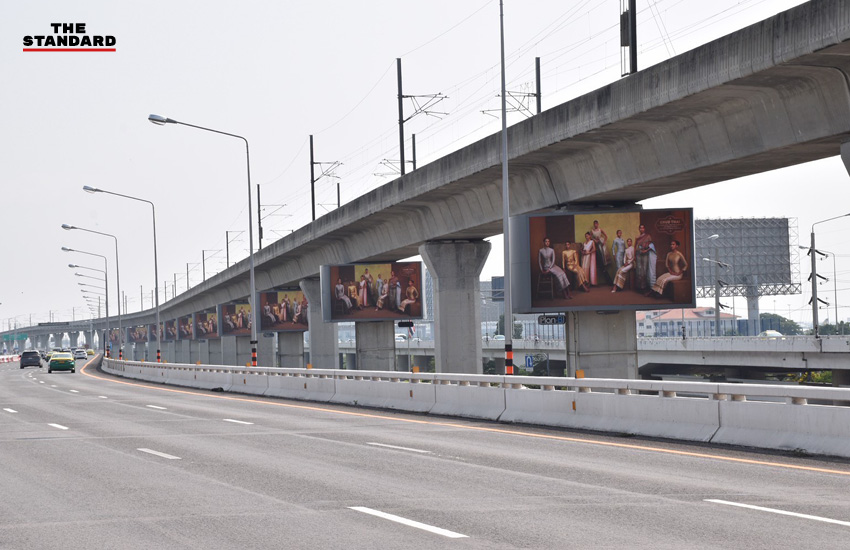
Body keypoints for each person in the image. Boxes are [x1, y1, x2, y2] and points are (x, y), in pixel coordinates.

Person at [635, 224, 653, 291]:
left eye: (643, 228)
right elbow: (635, 246)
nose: (641, 229)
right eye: (640, 228)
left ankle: (644, 287)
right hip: (638, 254)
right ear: (639, 229)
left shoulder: (648, 236)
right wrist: (634, 255)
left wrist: (646, 250)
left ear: (644, 229)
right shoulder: (637, 237)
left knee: (644, 270)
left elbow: (651, 245)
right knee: (638, 270)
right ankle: (639, 287)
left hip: (645, 254)